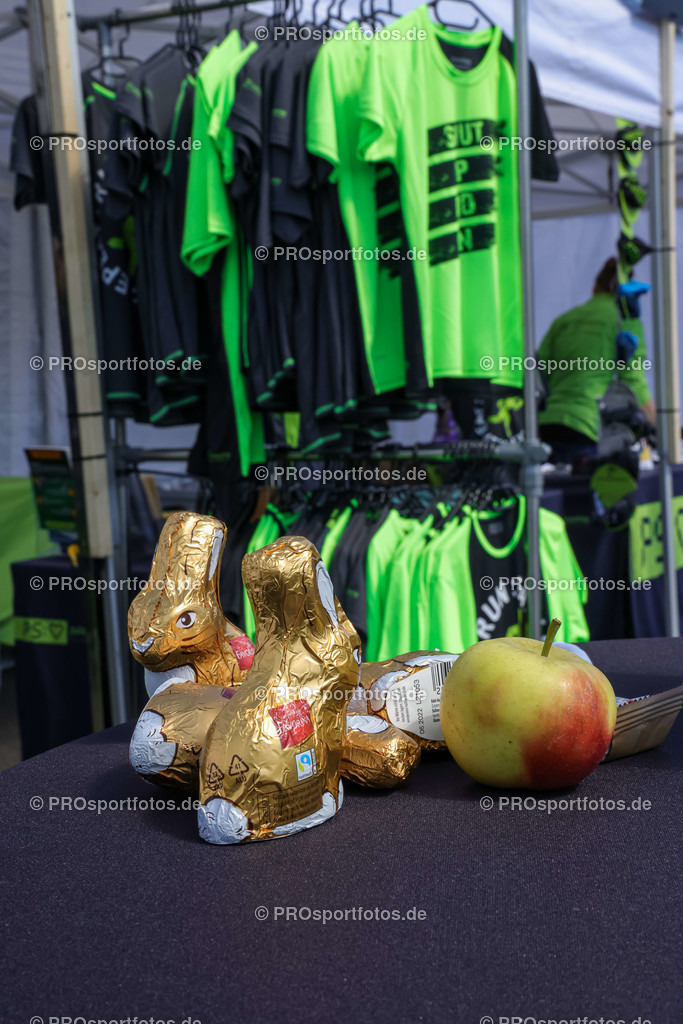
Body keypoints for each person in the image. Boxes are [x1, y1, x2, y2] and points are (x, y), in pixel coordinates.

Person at [537, 257, 656, 465]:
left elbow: (538, 373)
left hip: (548, 426)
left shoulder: (565, 319)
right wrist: (661, 429)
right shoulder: (626, 322)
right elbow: (634, 382)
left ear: (595, 286)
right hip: (591, 429)